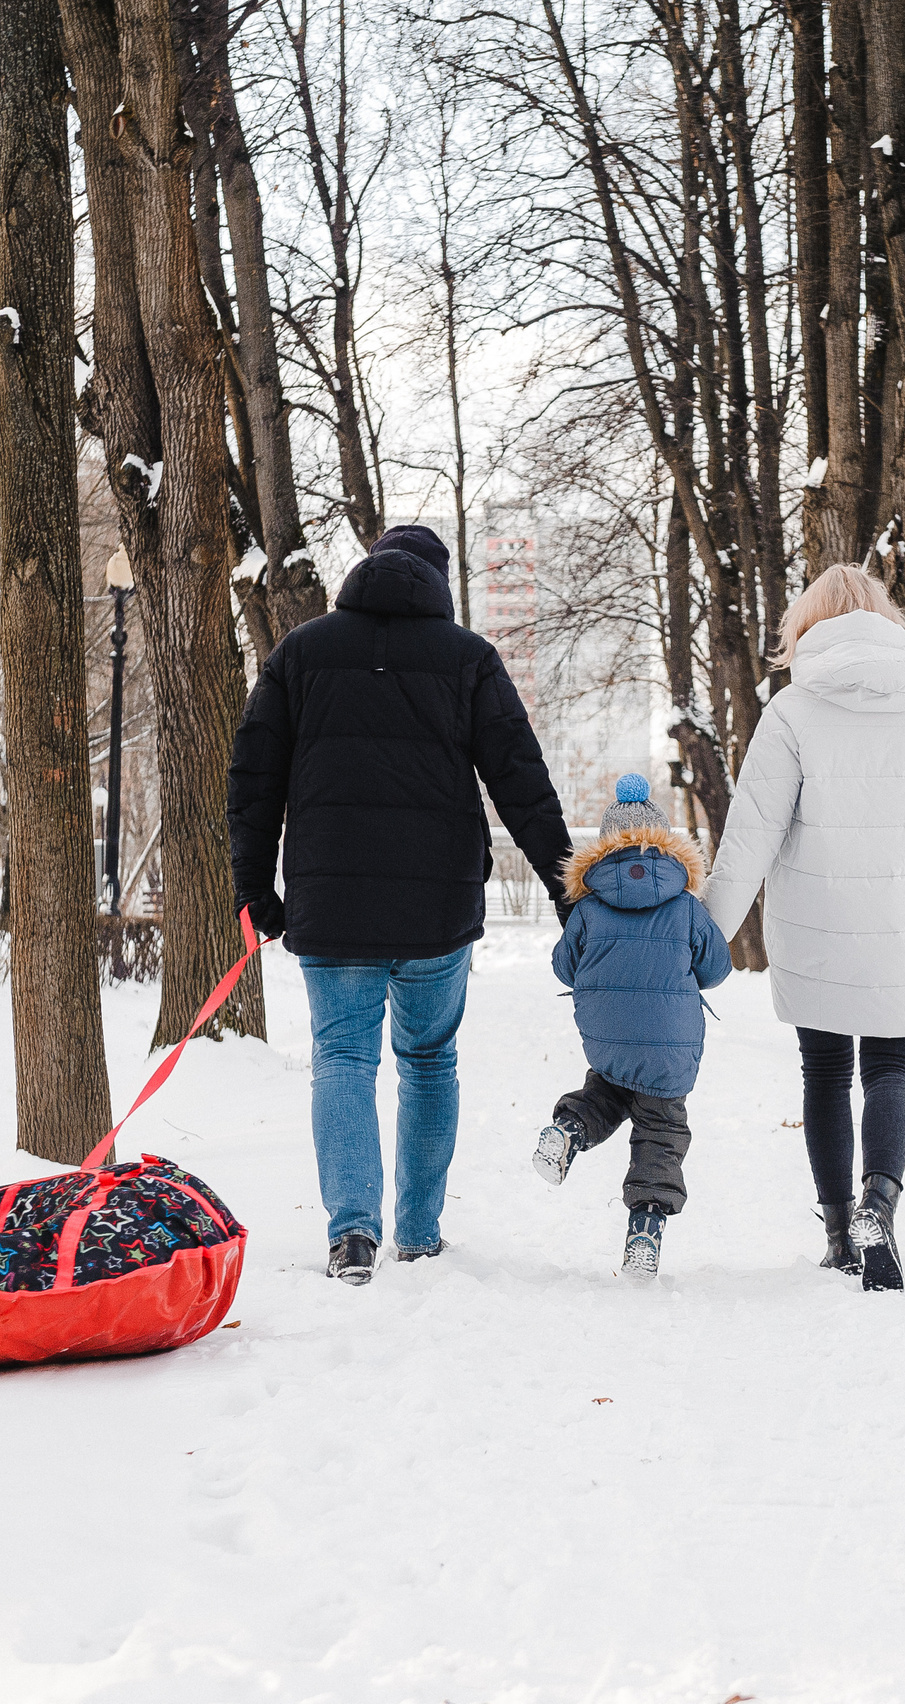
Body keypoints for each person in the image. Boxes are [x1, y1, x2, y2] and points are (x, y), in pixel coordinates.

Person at [228, 524, 573, 1286]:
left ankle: (352, 1235)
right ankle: (417, 1232)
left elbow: (253, 775)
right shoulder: (466, 660)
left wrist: (254, 887)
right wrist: (565, 887)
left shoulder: (302, 653)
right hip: (436, 908)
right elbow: (520, 776)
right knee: (428, 1061)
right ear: (437, 584)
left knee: (343, 1058)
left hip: (331, 899)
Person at [701, 564, 905, 1291]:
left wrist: (707, 933)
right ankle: (878, 1203)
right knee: (893, 1067)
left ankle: (836, 1233)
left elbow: (751, 833)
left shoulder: (793, 712)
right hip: (901, 920)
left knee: (824, 1071)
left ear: (806, 627)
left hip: (814, 924)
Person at [534, 775, 732, 1281]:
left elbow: (564, 966)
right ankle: (645, 1229)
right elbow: (716, 968)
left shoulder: (590, 905)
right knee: (661, 1129)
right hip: (669, 1045)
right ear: (668, 845)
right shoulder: (685, 906)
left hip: (607, 1035)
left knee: (609, 1090)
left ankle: (569, 1129)